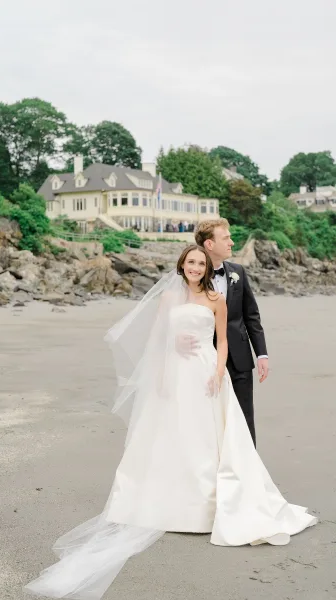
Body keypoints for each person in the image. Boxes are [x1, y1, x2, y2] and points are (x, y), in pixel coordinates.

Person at [24, 245, 317, 600]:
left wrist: (217, 370)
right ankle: (173, 498)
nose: (195, 267)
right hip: (176, 374)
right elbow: (157, 339)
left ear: (207, 268)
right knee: (174, 435)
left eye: (200, 263)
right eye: (190, 262)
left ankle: (207, 505)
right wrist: (163, 372)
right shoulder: (169, 299)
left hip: (206, 371)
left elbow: (222, 341)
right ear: (182, 266)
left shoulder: (215, 298)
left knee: (208, 437)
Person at [184, 218, 267, 447]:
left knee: (244, 417)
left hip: (240, 358)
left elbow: (251, 315)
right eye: (226, 237)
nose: (231, 242)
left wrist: (261, 354)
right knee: (209, 417)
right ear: (209, 244)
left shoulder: (238, 272)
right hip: (204, 360)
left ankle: (248, 470)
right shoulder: (191, 276)